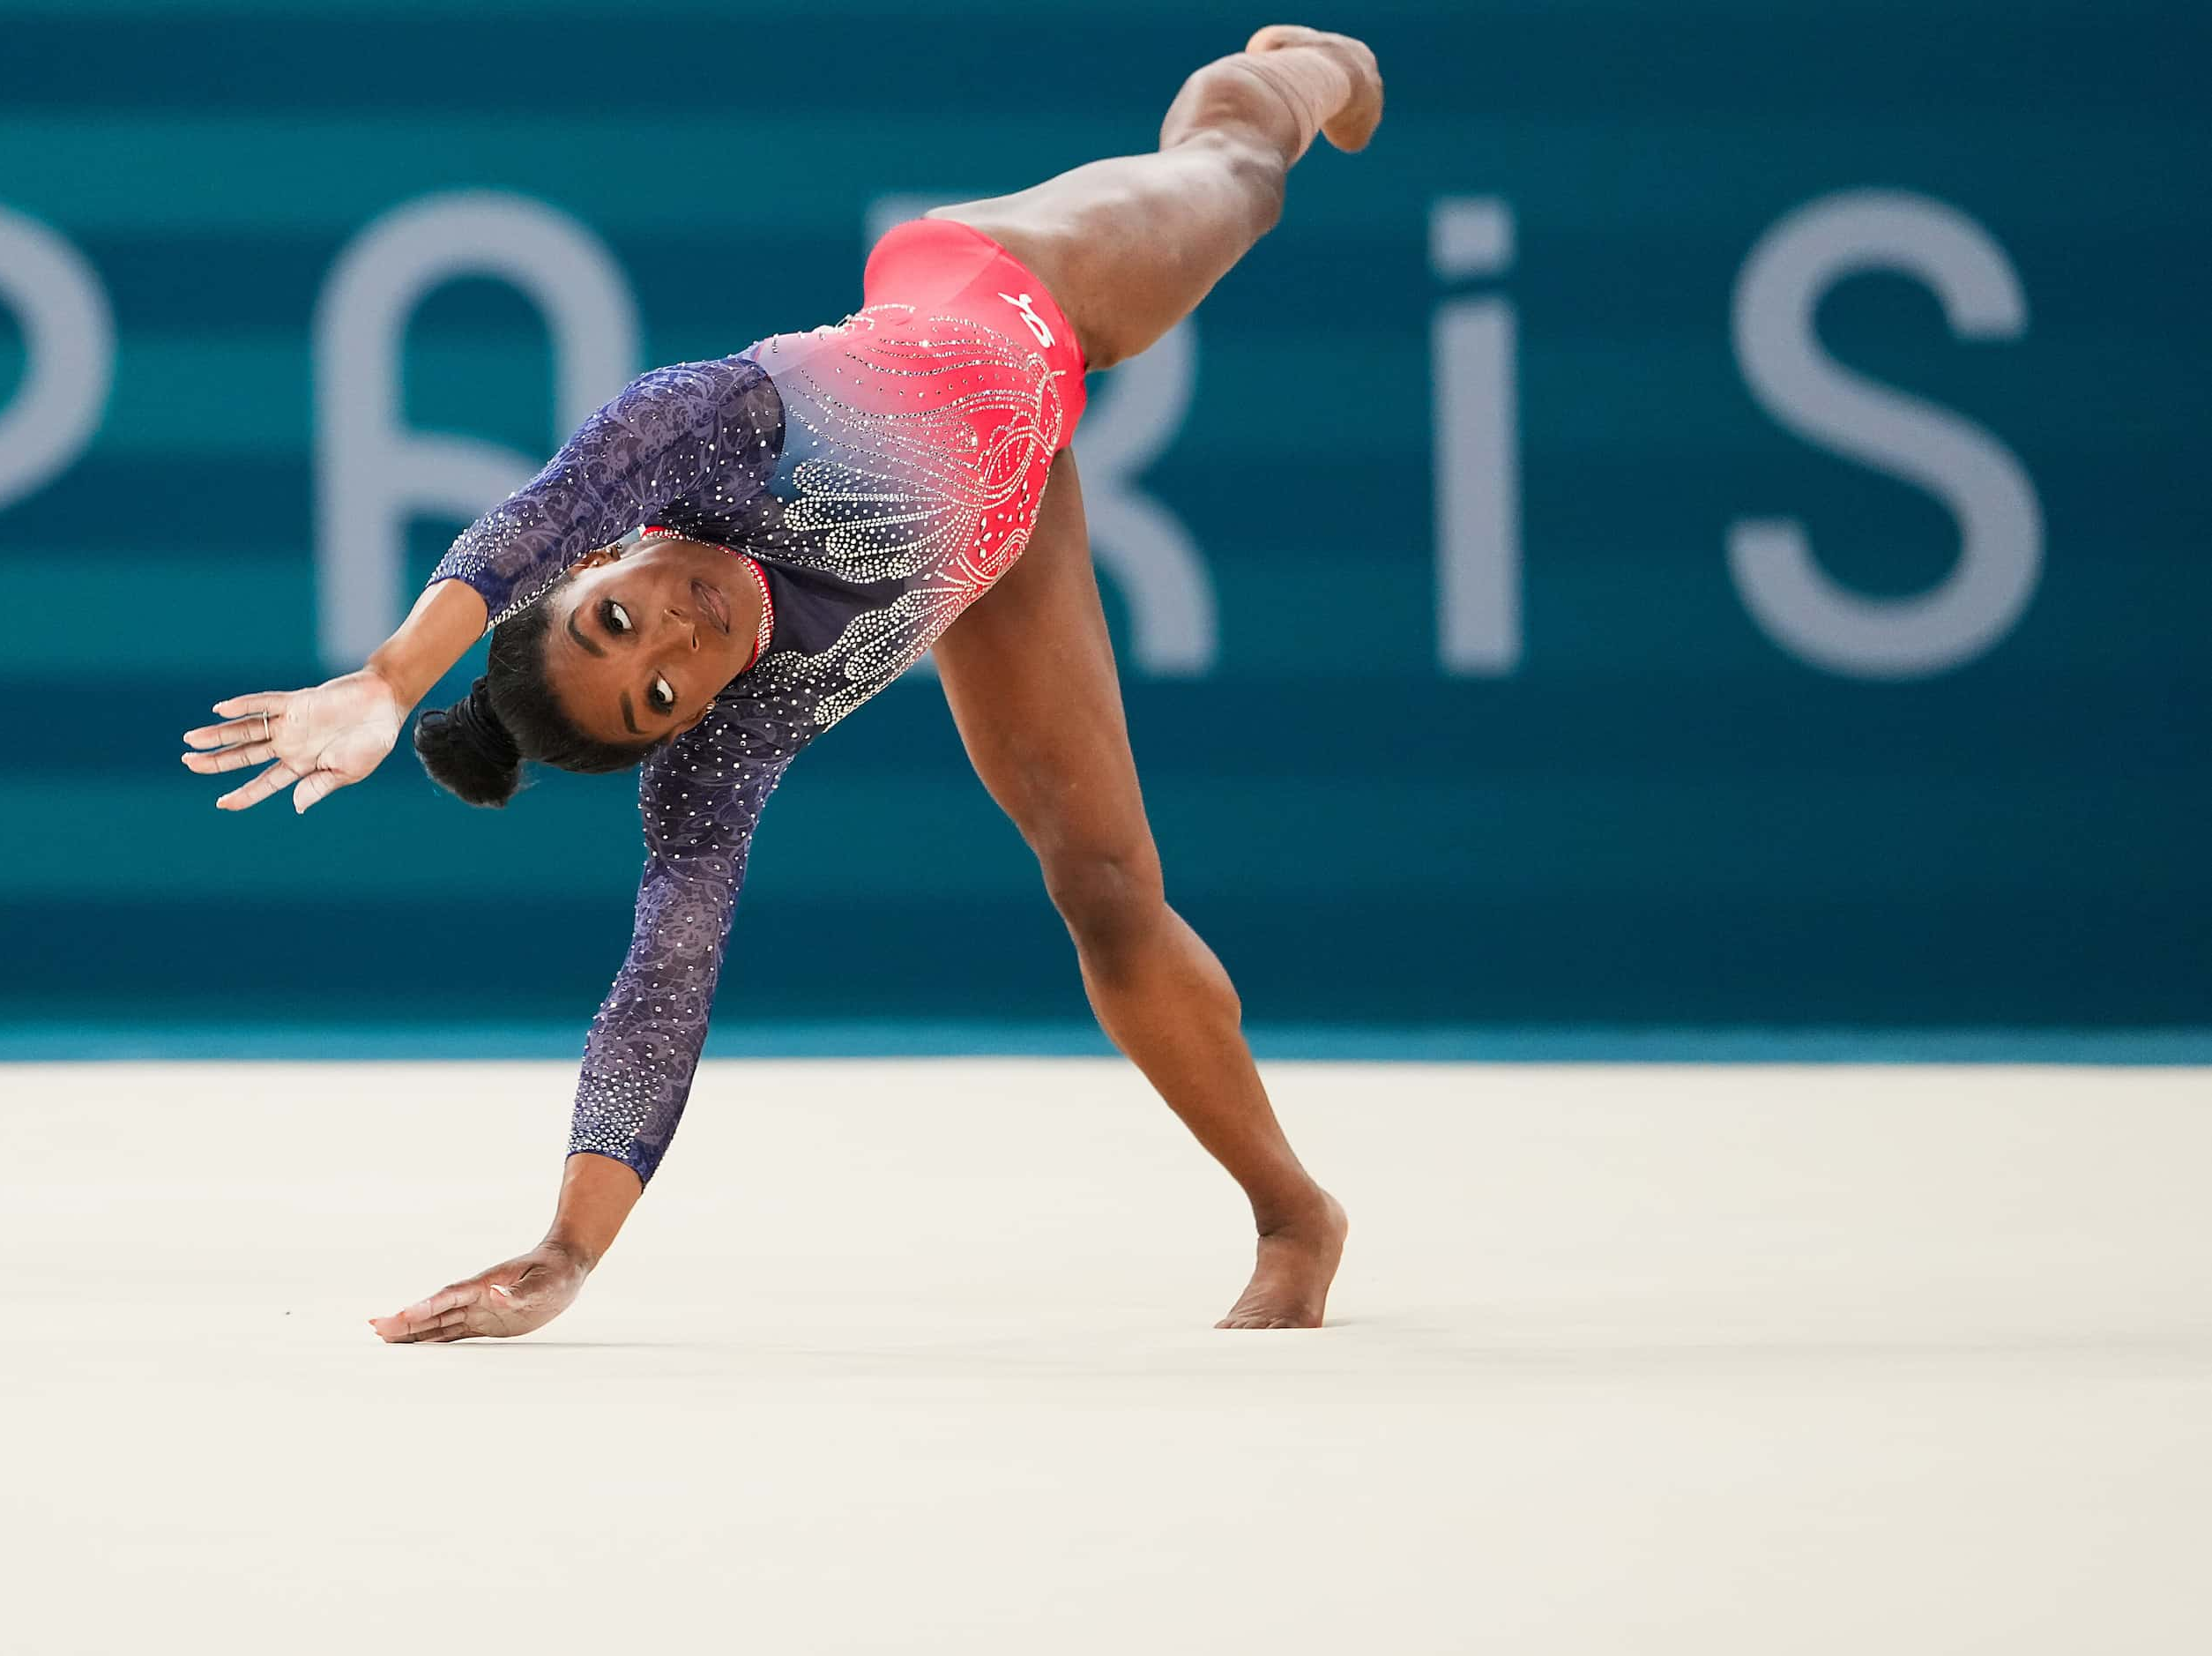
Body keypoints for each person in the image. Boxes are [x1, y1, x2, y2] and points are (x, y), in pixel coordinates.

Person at [182, 26, 1382, 1337]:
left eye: (616, 620)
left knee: (1239, 172)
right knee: (1103, 890)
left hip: (1020, 288)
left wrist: (390, 675)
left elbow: (528, 514)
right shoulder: (735, 742)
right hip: (1003, 531)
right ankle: (1294, 1213)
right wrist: (565, 1253)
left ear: (607, 556)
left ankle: (1294, 60)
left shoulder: (715, 428)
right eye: (656, 693)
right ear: (688, 728)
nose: (671, 638)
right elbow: (661, 983)